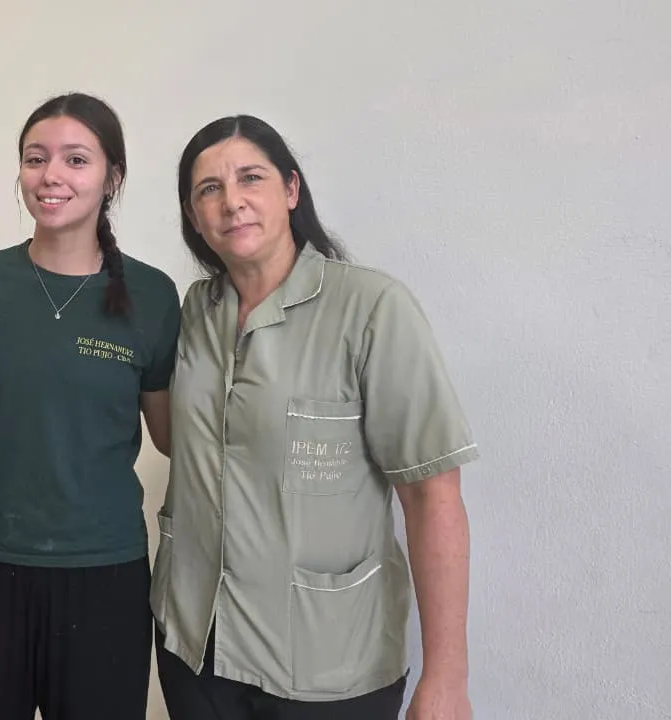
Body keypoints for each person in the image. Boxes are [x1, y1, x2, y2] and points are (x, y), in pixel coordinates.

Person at [153, 114, 479, 720]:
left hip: (330, 665)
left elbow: (432, 496)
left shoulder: (372, 309)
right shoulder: (195, 311)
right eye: (209, 189)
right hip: (196, 649)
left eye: (251, 177)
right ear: (193, 216)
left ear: (291, 189)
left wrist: (447, 677)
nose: (232, 201)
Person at [0, 92, 182, 720]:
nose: (51, 175)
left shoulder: (153, 295)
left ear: (112, 177)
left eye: (76, 159)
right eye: (35, 158)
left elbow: (170, 436)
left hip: (104, 571)